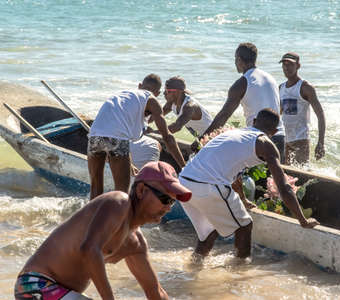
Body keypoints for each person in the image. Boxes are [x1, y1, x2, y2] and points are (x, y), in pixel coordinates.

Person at [14, 161, 192, 300]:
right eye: (165, 199)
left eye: (172, 201)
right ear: (141, 190)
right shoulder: (119, 202)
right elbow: (89, 250)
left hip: (61, 293)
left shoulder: (135, 243)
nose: (168, 208)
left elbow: (155, 292)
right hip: (34, 284)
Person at [179, 108, 319, 259]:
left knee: (208, 232)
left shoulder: (234, 134)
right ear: (274, 131)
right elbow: (284, 187)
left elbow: (233, 173)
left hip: (184, 182)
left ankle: (194, 265)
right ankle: (240, 269)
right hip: (209, 185)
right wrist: (302, 220)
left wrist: (244, 200)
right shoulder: (266, 144)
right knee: (245, 226)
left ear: (254, 122)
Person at [87, 74, 185, 199]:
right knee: (122, 194)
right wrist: (184, 167)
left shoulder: (123, 95)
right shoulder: (152, 100)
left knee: (95, 191)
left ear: (140, 86)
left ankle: (93, 217)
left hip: (94, 137)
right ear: (158, 93)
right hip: (116, 140)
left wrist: (128, 163)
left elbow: (116, 129)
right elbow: (168, 138)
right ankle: (120, 218)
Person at [198, 43, 286, 162]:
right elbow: (280, 108)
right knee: (275, 179)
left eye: (235, 59)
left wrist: (203, 138)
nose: (235, 62)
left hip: (259, 140)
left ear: (239, 59)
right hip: (279, 136)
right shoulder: (270, 78)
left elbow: (224, 115)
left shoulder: (242, 83)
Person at [279, 52, 325, 165]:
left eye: (290, 64)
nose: (286, 67)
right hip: (285, 140)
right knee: (285, 176)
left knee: (300, 175)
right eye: (284, 64)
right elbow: (279, 114)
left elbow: (320, 115)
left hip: (300, 139)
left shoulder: (306, 88)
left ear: (298, 66)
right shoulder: (281, 87)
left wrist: (321, 143)